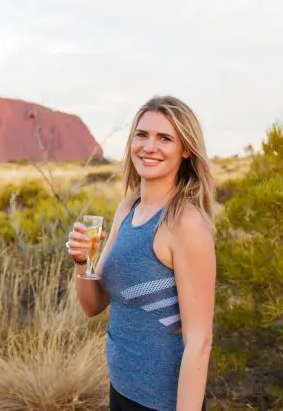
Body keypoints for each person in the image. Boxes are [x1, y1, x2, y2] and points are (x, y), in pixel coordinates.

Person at [66, 96, 216, 411]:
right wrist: (83, 262)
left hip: (161, 403)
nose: (149, 146)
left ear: (185, 150)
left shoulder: (185, 223)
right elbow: (93, 305)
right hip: (121, 390)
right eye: (142, 134)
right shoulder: (128, 207)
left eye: (165, 138)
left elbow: (199, 344)